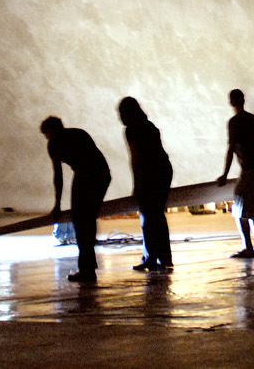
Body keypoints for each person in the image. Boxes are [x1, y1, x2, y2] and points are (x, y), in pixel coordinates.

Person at [42, 117, 110, 284]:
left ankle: (87, 270)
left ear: (50, 132)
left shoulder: (54, 144)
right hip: (101, 173)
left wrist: (57, 204)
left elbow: (58, 175)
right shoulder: (79, 133)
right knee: (87, 220)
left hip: (86, 175)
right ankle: (88, 268)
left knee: (81, 221)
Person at [118, 97, 172, 272]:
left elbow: (136, 157)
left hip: (150, 174)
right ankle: (164, 258)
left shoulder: (131, 130)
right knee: (157, 215)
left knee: (148, 217)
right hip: (163, 170)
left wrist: (136, 183)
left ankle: (150, 258)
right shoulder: (149, 125)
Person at [217, 89, 254, 258]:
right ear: (243, 100)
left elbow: (231, 148)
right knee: (253, 210)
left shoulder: (234, 122)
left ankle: (248, 247)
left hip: (250, 169)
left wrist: (224, 174)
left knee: (239, 210)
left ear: (231, 102)